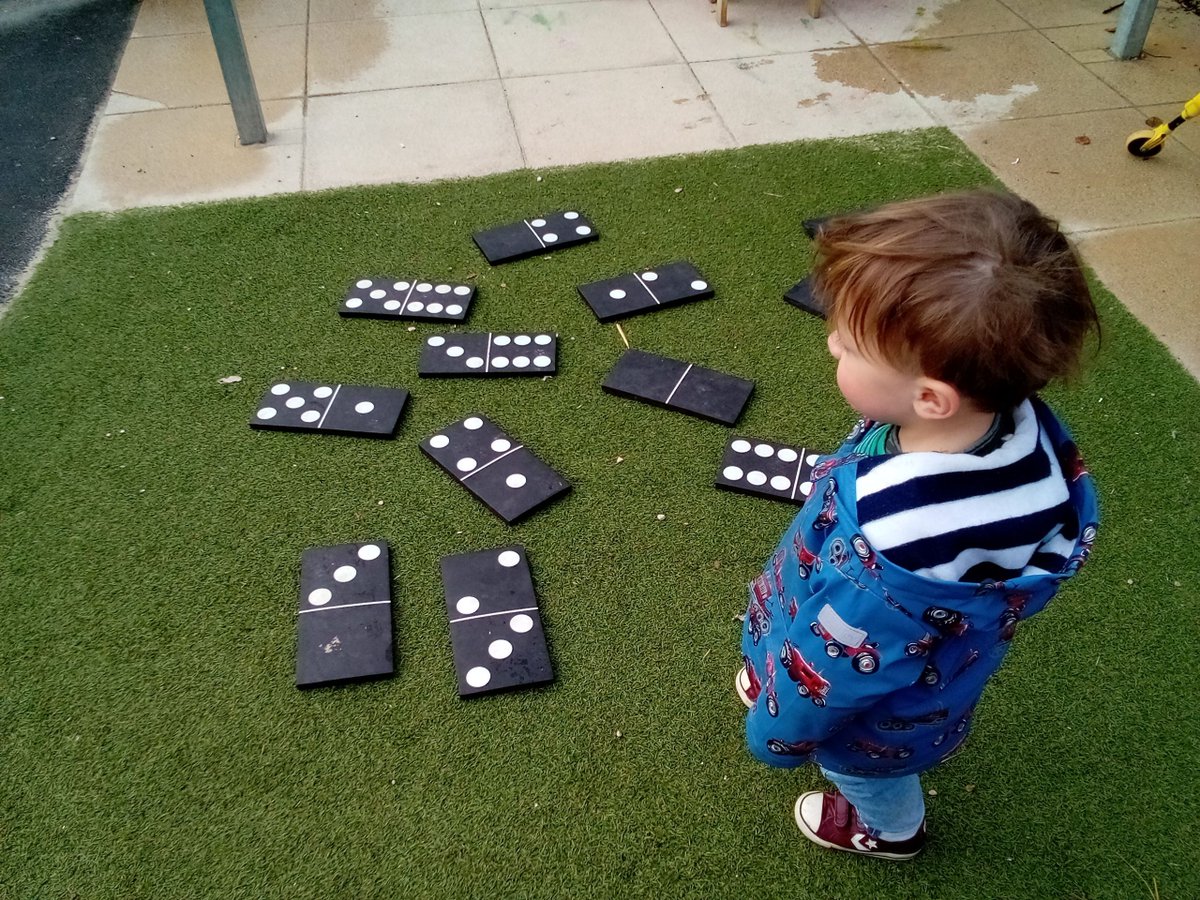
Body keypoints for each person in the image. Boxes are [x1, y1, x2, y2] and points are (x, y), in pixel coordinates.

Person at [737, 189, 1100, 860]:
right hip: (864, 616)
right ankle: (774, 669)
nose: (829, 343)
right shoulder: (1004, 419)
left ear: (932, 397)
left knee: (861, 766)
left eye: (846, 346)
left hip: (875, 706)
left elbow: (843, 670)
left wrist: (780, 729)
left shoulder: (897, 547)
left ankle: (891, 830)